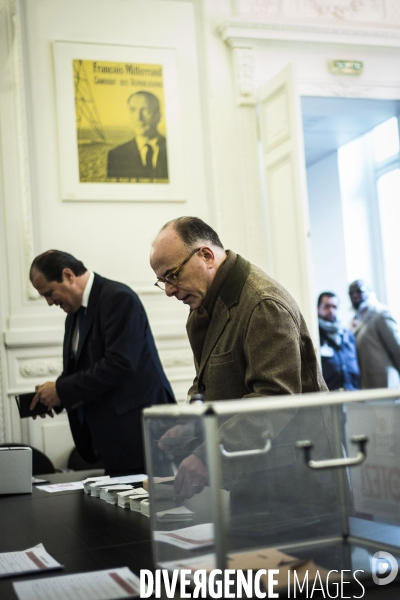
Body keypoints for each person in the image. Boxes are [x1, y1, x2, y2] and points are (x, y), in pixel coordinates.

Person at [150, 217, 336, 528]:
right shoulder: (206, 306)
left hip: (297, 489)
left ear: (206, 257)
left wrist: (207, 457)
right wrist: (190, 425)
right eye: (162, 280)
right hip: (259, 476)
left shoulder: (263, 303)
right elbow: (210, 381)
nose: (169, 290)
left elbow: (273, 400)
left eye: (172, 275)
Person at [29, 250, 175, 476]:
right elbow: (83, 370)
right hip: (111, 441)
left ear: (68, 275)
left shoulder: (118, 297)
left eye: (49, 293)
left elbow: (120, 363)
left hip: (139, 437)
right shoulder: (74, 313)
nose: (49, 302)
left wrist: (60, 390)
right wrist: (52, 398)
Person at [349, 279, 400, 389]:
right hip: (367, 384)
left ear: (369, 291)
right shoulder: (355, 319)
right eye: (351, 293)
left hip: (385, 383)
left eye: (359, 291)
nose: (355, 295)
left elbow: (396, 348)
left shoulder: (380, 314)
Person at [107, 91, 168, 180]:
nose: (138, 117)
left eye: (145, 110)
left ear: (158, 116)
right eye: (133, 110)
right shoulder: (117, 155)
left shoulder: (173, 150)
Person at [317, 291, 360, 391]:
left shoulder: (347, 334)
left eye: (334, 307)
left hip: (353, 394)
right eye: (326, 306)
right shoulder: (315, 335)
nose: (331, 310)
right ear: (317, 308)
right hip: (329, 397)